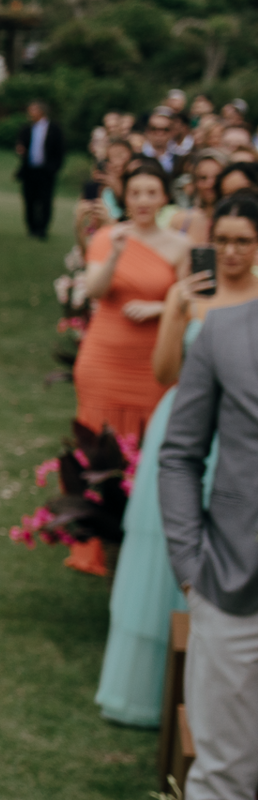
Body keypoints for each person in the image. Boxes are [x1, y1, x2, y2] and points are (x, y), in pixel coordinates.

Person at [98, 196, 258, 727]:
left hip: (235, 446)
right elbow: (166, 371)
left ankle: (214, 700)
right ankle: (151, 695)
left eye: (244, 241)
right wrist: (175, 309)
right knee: (164, 557)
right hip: (183, 424)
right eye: (224, 241)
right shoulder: (189, 295)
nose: (231, 252)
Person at [161, 196, 258, 800]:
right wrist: (191, 566)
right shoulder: (225, 333)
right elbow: (179, 455)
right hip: (232, 580)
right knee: (222, 777)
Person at [76, 162, 187, 442]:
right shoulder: (107, 237)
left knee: (151, 436)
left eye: (151, 193)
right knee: (101, 440)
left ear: (165, 198)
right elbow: (95, 291)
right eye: (135, 193)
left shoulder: (180, 246)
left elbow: (190, 302)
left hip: (153, 361)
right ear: (125, 198)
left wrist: (160, 308)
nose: (143, 201)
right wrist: (115, 254)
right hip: (104, 358)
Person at [16, 99, 66, 240]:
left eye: (32, 110)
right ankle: (32, 228)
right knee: (29, 200)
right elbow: (21, 146)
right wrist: (20, 151)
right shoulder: (26, 128)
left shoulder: (54, 129)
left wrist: (53, 168)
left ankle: (42, 229)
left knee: (45, 201)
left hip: (46, 172)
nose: (29, 113)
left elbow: (60, 151)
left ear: (41, 112)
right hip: (29, 171)